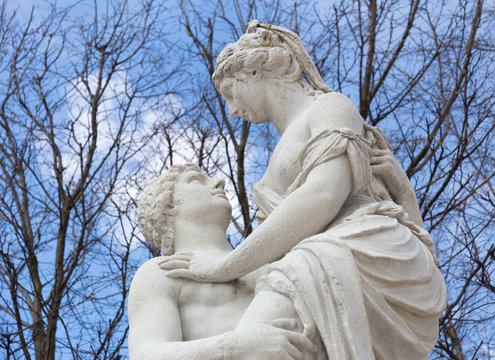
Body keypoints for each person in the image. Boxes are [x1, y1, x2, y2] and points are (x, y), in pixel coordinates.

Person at [159, 20, 446, 360]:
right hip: (316, 264)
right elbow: (273, 249)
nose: (233, 110)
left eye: (230, 92)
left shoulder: (329, 107)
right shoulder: (267, 179)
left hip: (361, 250)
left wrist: (223, 266)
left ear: (252, 73)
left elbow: (324, 194)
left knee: (259, 337)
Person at [128, 163, 317, 360]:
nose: (219, 181)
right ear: (169, 205)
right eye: (195, 180)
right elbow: (145, 354)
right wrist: (234, 347)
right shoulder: (161, 272)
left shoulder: (270, 260)